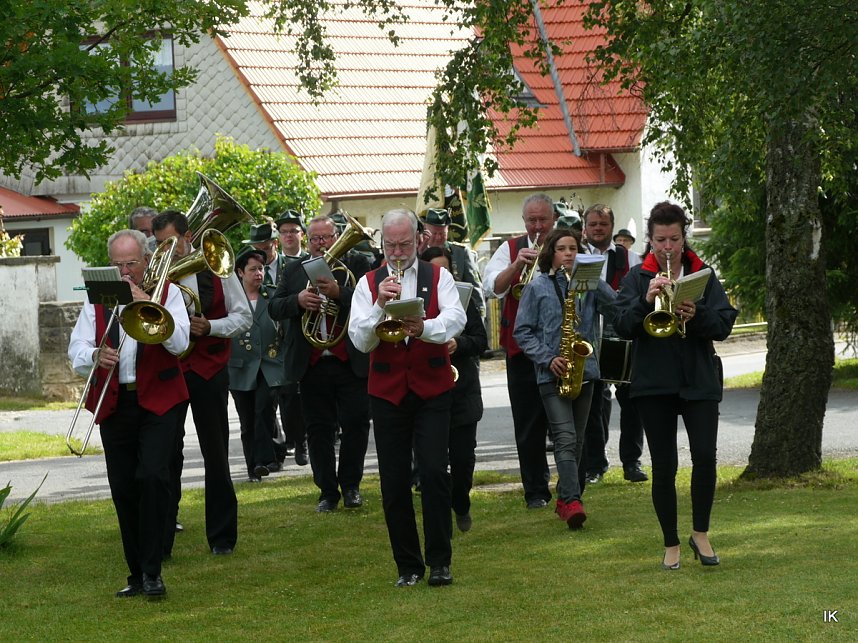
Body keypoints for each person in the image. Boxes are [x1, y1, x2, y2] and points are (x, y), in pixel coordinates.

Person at [613, 201, 737, 570]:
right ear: (650, 241)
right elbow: (621, 325)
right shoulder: (637, 278)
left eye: (674, 239)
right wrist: (645, 301)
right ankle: (670, 542)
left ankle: (701, 533)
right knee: (664, 465)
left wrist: (697, 314)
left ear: (684, 238)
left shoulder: (703, 275)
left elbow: (724, 325)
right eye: (660, 240)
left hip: (698, 379)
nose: (668, 247)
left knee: (705, 458)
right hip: (653, 383)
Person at [68, 229, 190, 598]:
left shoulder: (169, 292)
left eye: (131, 264)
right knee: (123, 488)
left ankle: (153, 571)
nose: (124, 272)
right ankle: (136, 573)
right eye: (118, 265)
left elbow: (181, 344)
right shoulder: (99, 297)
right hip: (116, 402)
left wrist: (147, 302)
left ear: (146, 261)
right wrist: (95, 355)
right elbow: (76, 348)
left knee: (153, 478)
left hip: (160, 401)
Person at [349, 208, 466, 587]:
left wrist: (424, 328)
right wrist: (379, 306)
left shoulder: (439, 276)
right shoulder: (367, 283)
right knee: (394, 480)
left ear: (418, 239)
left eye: (403, 244)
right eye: (390, 246)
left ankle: (440, 561)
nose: (397, 253)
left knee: (434, 472)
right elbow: (360, 340)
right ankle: (408, 566)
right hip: (387, 392)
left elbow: (456, 318)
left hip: (432, 388)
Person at [152, 210, 252, 558]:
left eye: (171, 242)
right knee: (166, 453)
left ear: (188, 236)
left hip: (209, 370)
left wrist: (211, 327)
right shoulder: (156, 272)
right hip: (171, 370)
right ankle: (162, 536)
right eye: (159, 243)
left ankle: (222, 537)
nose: (165, 250)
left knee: (216, 453)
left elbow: (244, 317)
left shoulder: (217, 264)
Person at [513, 228, 616, 529]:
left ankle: (566, 496)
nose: (569, 253)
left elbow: (615, 307)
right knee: (566, 438)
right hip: (552, 374)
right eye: (562, 248)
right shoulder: (537, 287)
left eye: (573, 248)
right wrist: (548, 358)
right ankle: (572, 501)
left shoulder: (588, 285)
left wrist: (594, 279)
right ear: (551, 253)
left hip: (585, 371)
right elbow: (522, 331)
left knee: (578, 440)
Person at [269, 215, 372, 512]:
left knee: (356, 424)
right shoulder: (294, 269)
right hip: (312, 363)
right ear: (308, 240)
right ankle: (327, 491)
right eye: (315, 238)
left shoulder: (357, 263)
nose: (321, 243)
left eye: (326, 237)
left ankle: (351, 486)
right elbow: (274, 307)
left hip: (349, 360)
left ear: (337, 236)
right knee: (318, 430)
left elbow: (371, 300)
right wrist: (298, 301)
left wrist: (339, 293)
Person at [482, 193, 557, 509]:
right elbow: (492, 287)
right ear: (524, 221)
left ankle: (571, 486)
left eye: (543, 220)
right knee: (528, 426)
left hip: (558, 348)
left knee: (563, 424)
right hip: (521, 352)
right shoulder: (510, 248)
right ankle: (535, 491)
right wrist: (517, 265)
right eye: (531, 220)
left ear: (553, 220)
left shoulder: (566, 246)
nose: (537, 226)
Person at [420, 246, 487, 533]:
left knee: (462, 459)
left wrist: (459, 343)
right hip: (428, 391)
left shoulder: (463, 297)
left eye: (445, 269)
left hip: (462, 391)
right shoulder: (416, 301)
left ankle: (460, 502)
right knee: (433, 463)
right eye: (435, 269)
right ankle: (439, 516)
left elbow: (481, 340)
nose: (441, 274)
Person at [581, 203, 647, 484]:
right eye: (593, 224)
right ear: (585, 227)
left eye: (603, 224)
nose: (598, 229)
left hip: (622, 339)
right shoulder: (575, 256)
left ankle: (631, 462)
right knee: (592, 405)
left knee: (631, 402)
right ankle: (595, 464)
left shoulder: (631, 259)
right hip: (588, 340)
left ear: (611, 226)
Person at [228, 248, 285, 482]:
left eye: (261, 269)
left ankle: (263, 460)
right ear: (240, 272)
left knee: (264, 410)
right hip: (240, 367)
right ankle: (253, 468)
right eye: (253, 269)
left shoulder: (272, 294)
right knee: (247, 420)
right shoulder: (230, 299)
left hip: (269, 365)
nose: (258, 273)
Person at [273, 210, 310, 465]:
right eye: (284, 231)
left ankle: (303, 441)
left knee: (298, 393)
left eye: (293, 231)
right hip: (274, 337)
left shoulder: (308, 262)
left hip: (298, 334)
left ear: (302, 235)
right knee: (284, 396)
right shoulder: (270, 264)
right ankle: (292, 439)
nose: (288, 236)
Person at [420, 207, 485, 315]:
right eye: (434, 234)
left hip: (457, 312)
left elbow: (475, 289)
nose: (438, 238)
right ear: (426, 230)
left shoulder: (461, 253)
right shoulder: (419, 253)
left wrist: (480, 316)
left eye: (442, 234)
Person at [243, 222, 286, 287]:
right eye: (256, 250)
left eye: (266, 248)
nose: (261, 254)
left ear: (276, 243)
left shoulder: (291, 265)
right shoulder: (245, 271)